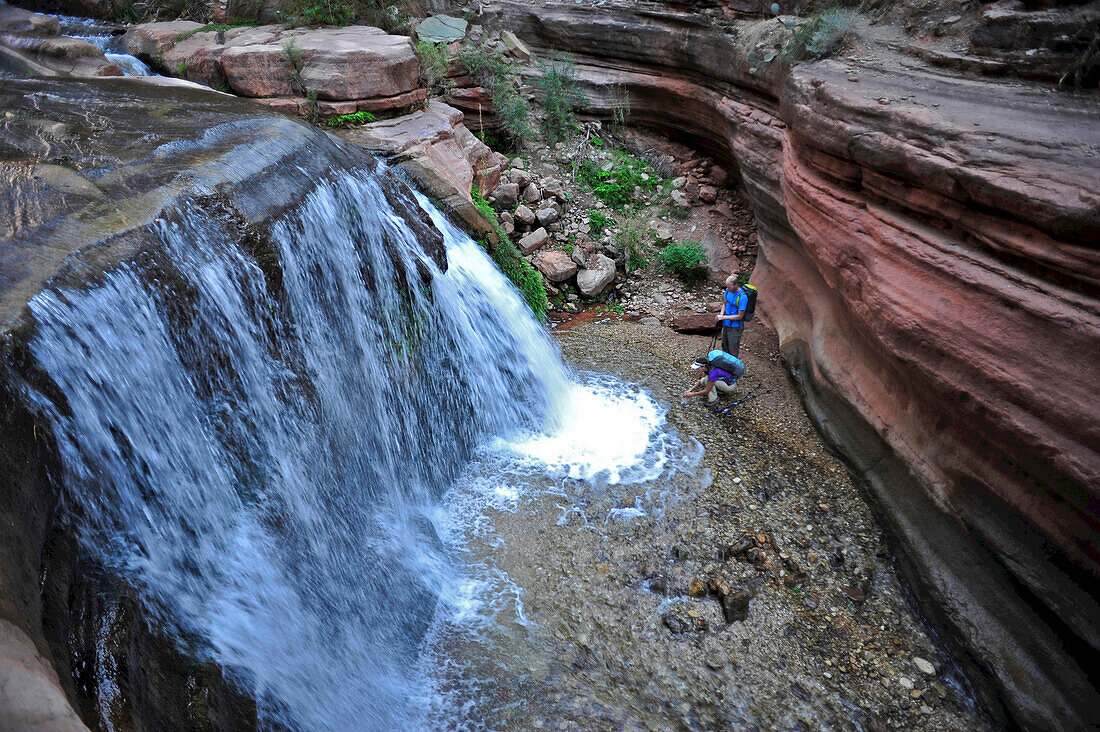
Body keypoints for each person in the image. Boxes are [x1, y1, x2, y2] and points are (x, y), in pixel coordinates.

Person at [715, 274, 748, 357]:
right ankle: (725, 366)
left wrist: (723, 317)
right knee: (724, 345)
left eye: (729, 287)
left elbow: (739, 316)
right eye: (727, 287)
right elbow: (724, 304)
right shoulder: (728, 291)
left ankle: (733, 368)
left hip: (735, 327)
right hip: (726, 324)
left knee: (733, 350)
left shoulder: (743, 297)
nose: (728, 289)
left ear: (736, 285)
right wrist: (721, 315)